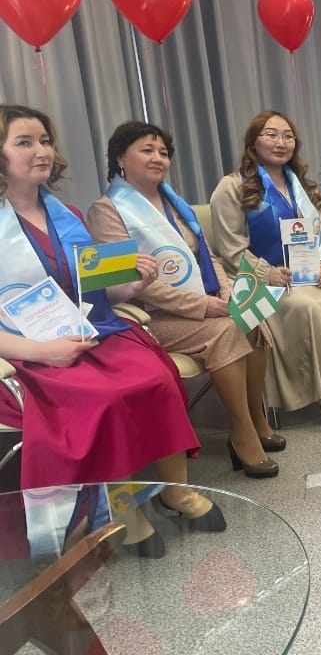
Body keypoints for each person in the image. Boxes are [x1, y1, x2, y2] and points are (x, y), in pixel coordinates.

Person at [0, 105, 223, 556]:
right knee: (105, 398)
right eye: (24, 142)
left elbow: (100, 292)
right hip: (28, 350)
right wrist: (43, 352)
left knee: (157, 377)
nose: (41, 151)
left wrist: (133, 283)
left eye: (45, 140)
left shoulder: (67, 214)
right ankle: (121, 509)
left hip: (89, 331)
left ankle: (175, 491)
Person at [87, 121, 282, 479]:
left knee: (253, 316)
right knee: (226, 329)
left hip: (203, 303)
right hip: (148, 316)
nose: (158, 158)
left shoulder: (173, 203)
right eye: (147, 150)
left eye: (163, 153)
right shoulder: (106, 210)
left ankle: (256, 418)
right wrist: (203, 306)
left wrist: (224, 289)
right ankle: (242, 433)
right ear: (120, 159)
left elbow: (206, 254)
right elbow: (128, 283)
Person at [209, 110, 321, 426]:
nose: (281, 142)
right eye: (271, 135)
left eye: (288, 136)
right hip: (261, 280)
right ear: (253, 142)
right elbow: (231, 249)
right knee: (308, 307)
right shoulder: (233, 187)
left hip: (309, 272)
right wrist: (268, 272)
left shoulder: (303, 186)